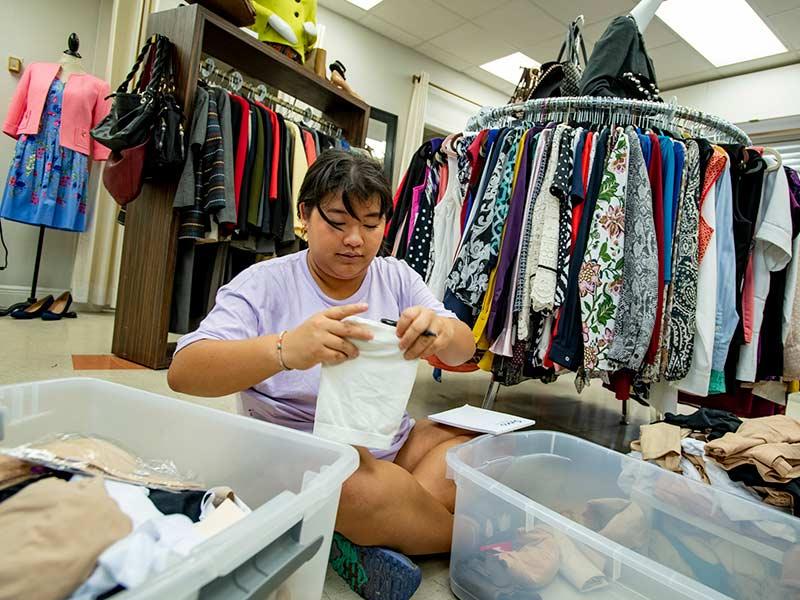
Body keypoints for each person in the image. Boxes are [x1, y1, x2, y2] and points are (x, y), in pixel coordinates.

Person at [168, 150, 476, 600]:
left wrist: (442, 331)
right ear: (304, 216)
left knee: (470, 446)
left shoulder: (397, 276)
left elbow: (465, 347)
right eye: (337, 221)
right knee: (350, 489)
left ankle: (383, 527)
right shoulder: (263, 283)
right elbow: (185, 370)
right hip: (304, 454)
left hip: (389, 439)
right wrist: (286, 349)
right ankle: (469, 542)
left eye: (371, 225)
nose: (355, 239)